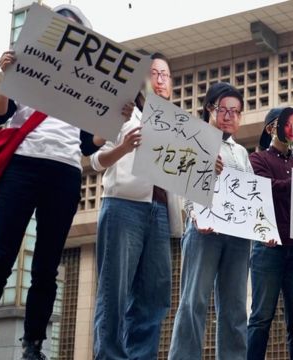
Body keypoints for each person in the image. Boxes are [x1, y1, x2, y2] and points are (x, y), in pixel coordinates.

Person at [0, 5, 134, 360]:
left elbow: (89, 145)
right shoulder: (28, 63)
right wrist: (6, 78)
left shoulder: (88, 80)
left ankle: (33, 345)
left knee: (47, 263)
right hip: (22, 168)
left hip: (64, 172)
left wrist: (115, 120)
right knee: (0, 256)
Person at [91, 52, 185, 360]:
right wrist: (123, 147)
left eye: (165, 75)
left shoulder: (175, 124)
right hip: (123, 206)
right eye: (153, 74)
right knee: (114, 293)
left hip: (159, 214)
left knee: (154, 298)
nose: (160, 81)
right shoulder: (123, 109)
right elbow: (95, 159)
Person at [168, 82, 251, 360]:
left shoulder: (241, 153)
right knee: (194, 302)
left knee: (236, 307)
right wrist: (194, 214)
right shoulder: (195, 140)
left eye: (235, 111)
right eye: (223, 109)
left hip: (238, 238)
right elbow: (182, 184)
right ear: (209, 110)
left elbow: (251, 195)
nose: (229, 116)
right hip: (204, 231)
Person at [247, 107, 293, 360]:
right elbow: (263, 189)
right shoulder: (258, 160)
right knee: (261, 317)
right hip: (268, 247)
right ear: (270, 128)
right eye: (286, 123)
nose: (291, 129)